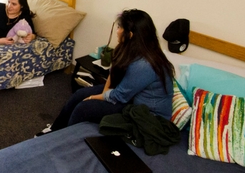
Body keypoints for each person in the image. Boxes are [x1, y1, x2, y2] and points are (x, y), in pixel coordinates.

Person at [36, 9, 174, 136]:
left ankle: (61, 140)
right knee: (79, 94)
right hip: (130, 95)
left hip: (147, 115)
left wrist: (94, 98)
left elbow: (119, 96)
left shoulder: (144, 65)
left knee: (84, 108)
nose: (117, 31)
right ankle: (55, 129)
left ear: (130, 35)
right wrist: (102, 94)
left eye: (120, 27)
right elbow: (113, 75)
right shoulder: (129, 48)